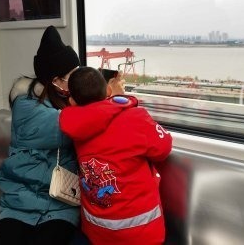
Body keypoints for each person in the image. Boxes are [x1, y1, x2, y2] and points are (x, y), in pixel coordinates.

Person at [59, 67, 173, 245]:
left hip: (97, 233)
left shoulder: (74, 127)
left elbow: (95, 117)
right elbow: (163, 148)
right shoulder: (135, 118)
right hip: (142, 234)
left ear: (72, 101)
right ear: (108, 90)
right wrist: (119, 101)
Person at [0, 25, 82, 245]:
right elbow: (64, 128)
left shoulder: (66, 103)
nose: (75, 81)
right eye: (71, 76)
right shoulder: (26, 106)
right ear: (54, 79)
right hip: (21, 199)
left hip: (62, 201)